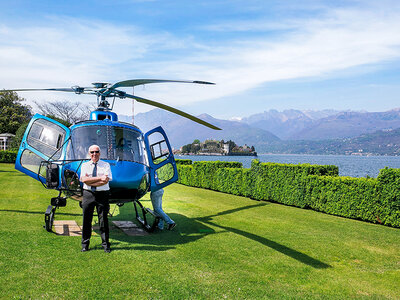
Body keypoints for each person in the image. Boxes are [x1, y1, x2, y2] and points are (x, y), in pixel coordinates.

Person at [79, 145, 113, 253]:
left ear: (100, 153)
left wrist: (91, 180)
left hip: (102, 195)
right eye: (92, 152)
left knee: (103, 220)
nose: (94, 154)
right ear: (89, 153)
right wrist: (99, 178)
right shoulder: (85, 165)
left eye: (96, 152)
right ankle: (85, 244)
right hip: (88, 194)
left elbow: (106, 181)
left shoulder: (106, 165)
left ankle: (106, 245)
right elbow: (84, 180)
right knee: (86, 220)